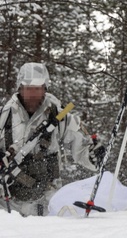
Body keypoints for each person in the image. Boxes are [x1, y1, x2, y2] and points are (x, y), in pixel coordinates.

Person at [1, 63, 102, 216]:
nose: (33, 93)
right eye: (29, 88)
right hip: (7, 204)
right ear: (20, 88)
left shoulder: (57, 114)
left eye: (37, 88)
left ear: (45, 88)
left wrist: (94, 155)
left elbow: (80, 146)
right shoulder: (5, 115)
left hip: (47, 202)